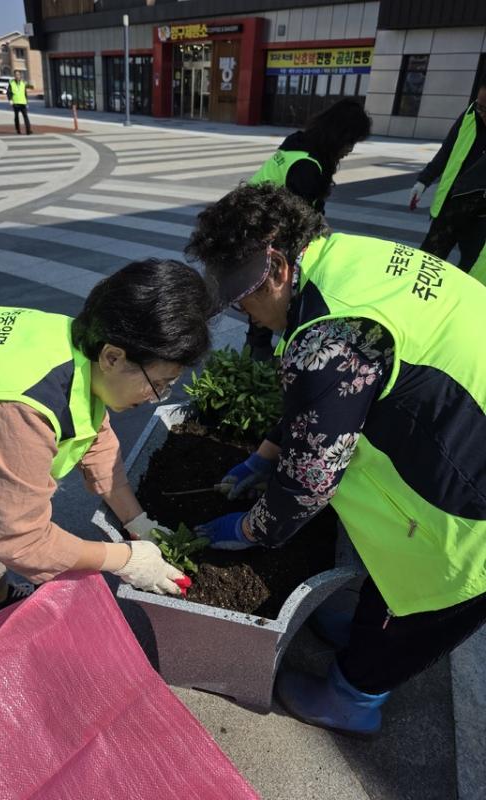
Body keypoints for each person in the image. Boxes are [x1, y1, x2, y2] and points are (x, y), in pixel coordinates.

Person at [185, 182, 486, 737]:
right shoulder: (344, 259)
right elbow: (331, 397)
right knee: (396, 577)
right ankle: (367, 631)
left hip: (472, 500)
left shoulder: (332, 332)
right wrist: (265, 455)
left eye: (245, 297)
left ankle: (354, 695)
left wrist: (252, 528)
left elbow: (310, 480)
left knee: (428, 595)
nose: (247, 315)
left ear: (277, 268)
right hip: (464, 415)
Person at [0, 258, 211, 675]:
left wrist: (138, 522)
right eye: (158, 384)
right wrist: (124, 559)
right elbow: (21, 541)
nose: (156, 397)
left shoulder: (76, 342)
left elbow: (95, 437)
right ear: (113, 357)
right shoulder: (23, 409)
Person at [245, 99, 372, 360]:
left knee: (267, 288)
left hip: (255, 223)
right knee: (271, 289)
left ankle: (257, 348)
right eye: (350, 142)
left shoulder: (300, 144)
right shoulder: (307, 166)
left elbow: (307, 211)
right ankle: (259, 352)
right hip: (261, 230)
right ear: (338, 136)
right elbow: (296, 219)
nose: (350, 150)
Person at [410, 73, 486, 278]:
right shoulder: (470, 114)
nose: (482, 113)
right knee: (426, 261)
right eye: (480, 106)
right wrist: (423, 181)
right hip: (452, 203)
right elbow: (446, 151)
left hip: (481, 215)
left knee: (471, 270)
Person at [7, 70, 32, 135]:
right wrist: (10, 100)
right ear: (14, 76)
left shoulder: (23, 83)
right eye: (15, 75)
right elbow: (9, 93)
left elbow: (25, 93)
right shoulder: (11, 83)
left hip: (23, 102)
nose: (17, 76)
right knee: (16, 117)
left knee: (26, 116)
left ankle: (28, 130)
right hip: (15, 103)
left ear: (20, 75)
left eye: (18, 74)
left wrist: (27, 102)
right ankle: (18, 129)